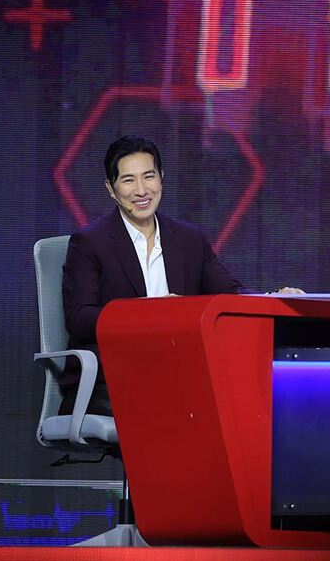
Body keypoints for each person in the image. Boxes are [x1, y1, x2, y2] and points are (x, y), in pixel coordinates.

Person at [60, 135, 297, 416]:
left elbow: (229, 292)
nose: (141, 190)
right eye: (128, 180)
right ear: (111, 189)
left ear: (161, 178)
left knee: (238, 394)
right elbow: (79, 318)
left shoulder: (189, 239)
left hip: (178, 368)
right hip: (112, 375)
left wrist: (271, 299)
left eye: (148, 176)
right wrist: (150, 312)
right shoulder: (90, 242)